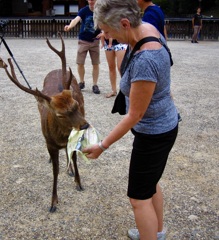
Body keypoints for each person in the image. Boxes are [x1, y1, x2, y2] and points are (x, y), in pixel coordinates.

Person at [83, 0, 178, 239]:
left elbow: (135, 115)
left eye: (106, 30)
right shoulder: (147, 28)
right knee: (150, 182)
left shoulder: (145, 60)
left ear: (125, 23)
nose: (104, 35)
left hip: (154, 135)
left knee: (138, 198)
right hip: (164, 124)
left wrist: (102, 146)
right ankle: (156, 232)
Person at [64, 0, 101, 94]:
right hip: (83, 40)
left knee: (95, 63)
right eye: (90, 0)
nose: (91, 2)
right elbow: (76, 19)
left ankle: (95, 84)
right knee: (80, 62)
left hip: (95, 41)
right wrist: (70, 26)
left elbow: (106, 22)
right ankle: (81, 81)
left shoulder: (100, 11)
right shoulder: (84, 10)